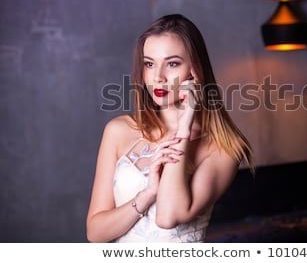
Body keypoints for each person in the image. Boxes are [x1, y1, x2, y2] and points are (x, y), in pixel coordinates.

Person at [86, 14, 253, 243]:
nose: (158, 77)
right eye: (149, 64)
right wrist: (146, 196)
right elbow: (95, 233)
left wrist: (183, 130)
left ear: (195, 71)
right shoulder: (118, 131)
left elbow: (168, 216)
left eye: (172, 63)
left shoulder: (225, 146)